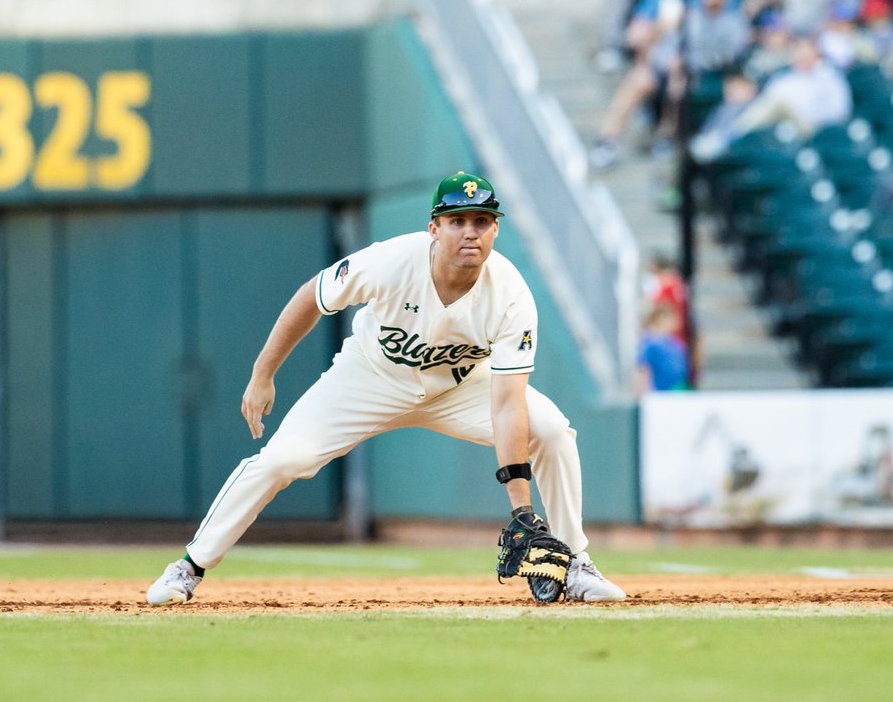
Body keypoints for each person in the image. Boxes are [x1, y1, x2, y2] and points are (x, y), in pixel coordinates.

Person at [146, 172, 627, 605]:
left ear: (495, 230)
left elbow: (507, 404)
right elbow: (311, 297)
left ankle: (577, 563)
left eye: (482, 221)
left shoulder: (512, 295)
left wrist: (521, 509)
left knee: (553, 431)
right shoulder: (390, 262)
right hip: (369, 378)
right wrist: (262, 373)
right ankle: (188, 567)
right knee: (282, 460)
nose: (470, 232)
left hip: (461, 389)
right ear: (434, 228)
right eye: (457, 220)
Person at [590, 0, 749, 169]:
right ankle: (607, 140)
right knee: (640, 79)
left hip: (702, 79)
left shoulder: (733, 23)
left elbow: (734, 63)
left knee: (681, 85)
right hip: (669, 71)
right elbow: (662, 48)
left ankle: (667, 136)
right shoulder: (686, 14)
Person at [730, 34, 853, 139]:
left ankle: (733, 135)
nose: (801, 55)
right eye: (798, 50)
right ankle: (734, 134)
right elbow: (764, 104)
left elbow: (841, 111)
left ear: (816, 53)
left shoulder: (828, 77)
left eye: (806, 50)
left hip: (815, 129)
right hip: (781, 127)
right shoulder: (784, 78)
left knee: (778, 103)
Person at [635, 303, 690, 392]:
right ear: (660, 319)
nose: (674, 321)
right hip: (659, 393)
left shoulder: (677, 343)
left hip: (677, 390)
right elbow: (642, 370)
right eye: (670, 318)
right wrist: (641, 394)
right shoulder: (650, 343)